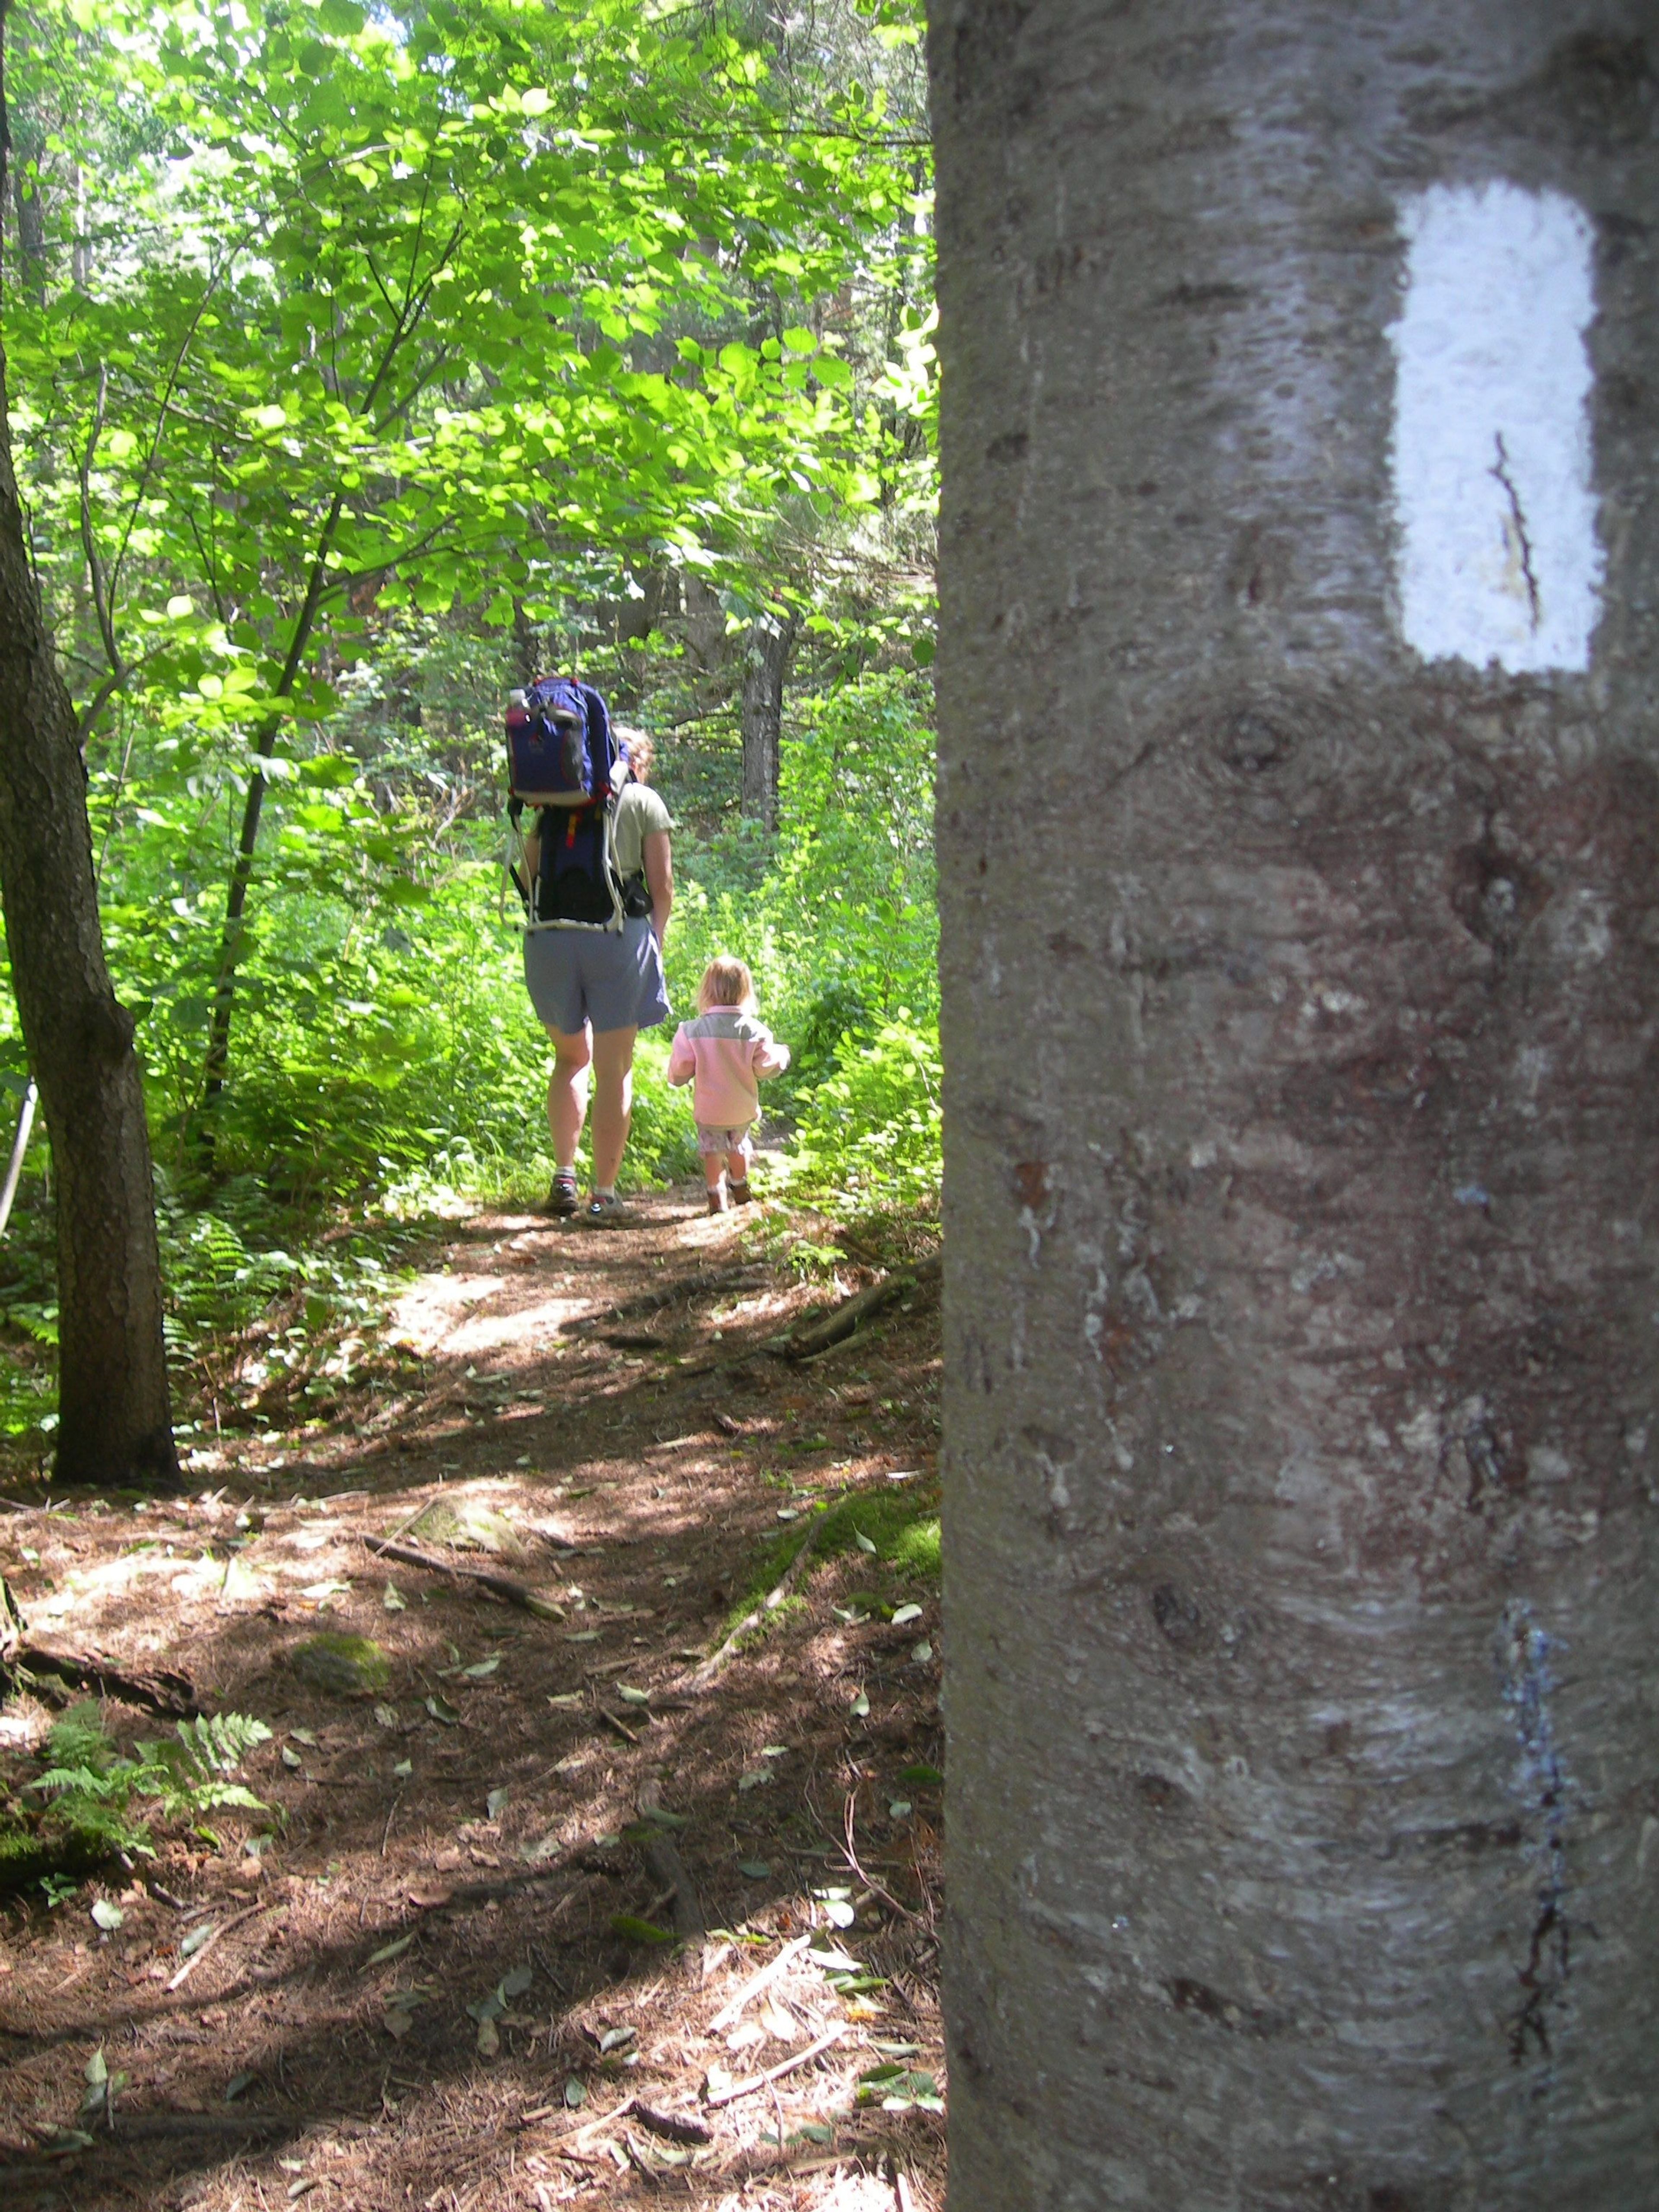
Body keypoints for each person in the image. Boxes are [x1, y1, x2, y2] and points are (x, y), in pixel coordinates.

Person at [521, 725, 673, 1223]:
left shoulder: (554, 803)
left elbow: (528, 873)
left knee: (570, 1060)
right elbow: (662, 885)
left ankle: (563, 1176)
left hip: (550, 939)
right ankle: (603, 1193)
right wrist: (655, 940)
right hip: (617, 937)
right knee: (614, 1068)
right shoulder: (644, 802)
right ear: (638, 761)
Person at [667, 956, 790, 1214]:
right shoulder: (754, 1031)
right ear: (745, 992)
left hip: (710, 1110)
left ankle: (716, 1195)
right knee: (739, 1146)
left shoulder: (692, 1031)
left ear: (707, 991)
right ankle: (740, 1185)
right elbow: (765, 1068)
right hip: (741, 1109)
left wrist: (676, 1077)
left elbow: (680, 1071)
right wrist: (783, 1055)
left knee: (712, 1152)